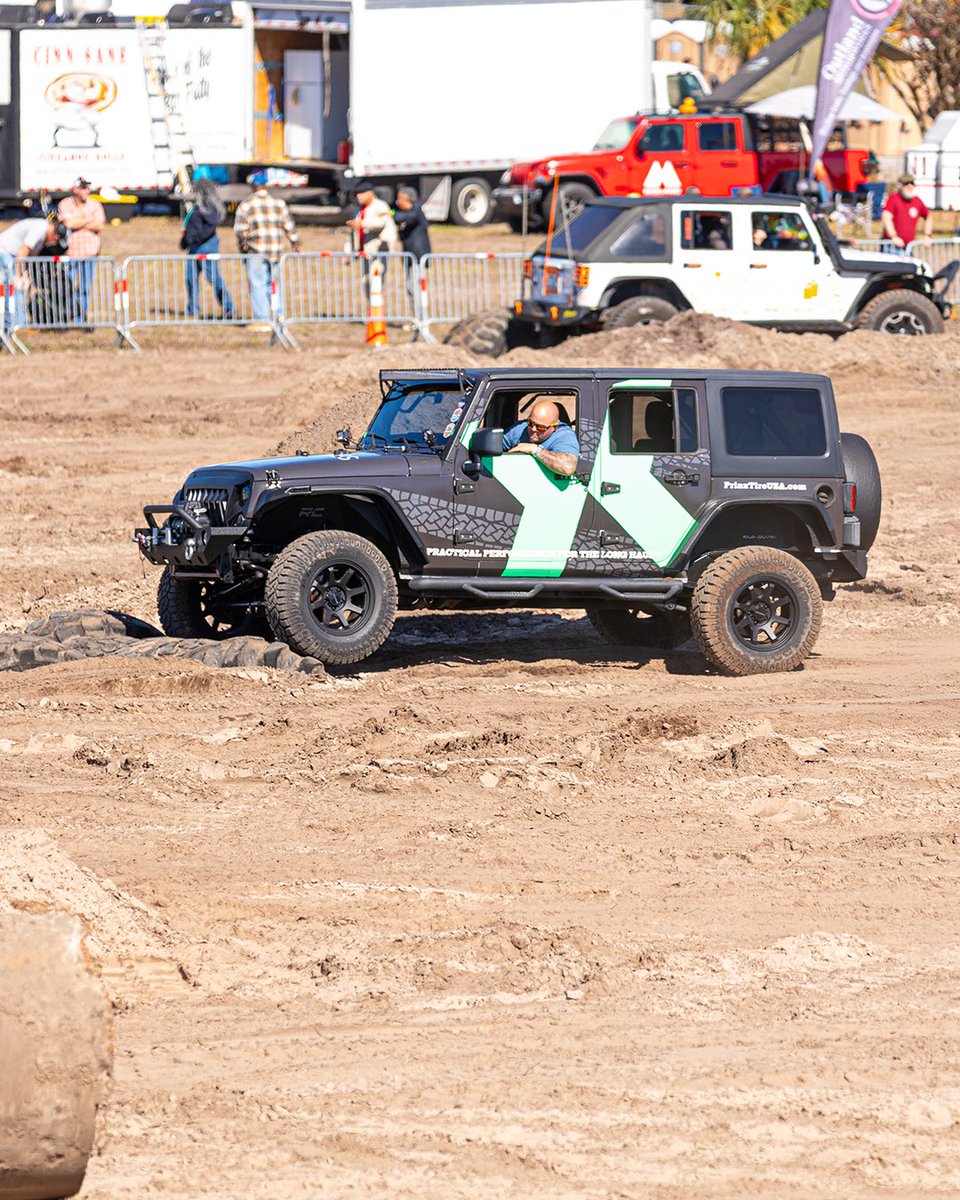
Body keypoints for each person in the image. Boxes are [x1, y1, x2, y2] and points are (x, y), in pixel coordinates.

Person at [233, 183, 300, 329]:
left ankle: (262, 320)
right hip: (276, 251)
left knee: (257, 284)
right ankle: (279, 315)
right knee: (273, 284)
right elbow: (289, 226)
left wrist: (243, 246)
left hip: (256, 250)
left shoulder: (246, 205)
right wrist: (295, 242)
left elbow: (240, 230)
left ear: (253, 187)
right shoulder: (279, 203)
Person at [180, 178, 234, 320]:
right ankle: (227, 308)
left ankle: (195, 308)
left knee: (196, 278)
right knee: (209, 278)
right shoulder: (215, 210)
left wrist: (184, 241)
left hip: (198, 247)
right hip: (211, 244)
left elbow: (192, 234)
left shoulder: (197, 212)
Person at [0, 214, 65, 329]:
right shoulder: (40, 228)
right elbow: (23, 252)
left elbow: (31, 257)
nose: (54, 242)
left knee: (21, 288)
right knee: (15, 288)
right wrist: (18, 276)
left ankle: (19, 323)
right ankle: (17, 325)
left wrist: (26, 275)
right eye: (56, 240)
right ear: (55, 235)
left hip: (15, 255)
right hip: (5, 251)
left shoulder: (42, 237)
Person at [57, 176, 105, 324]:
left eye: (88, 187)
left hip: (90, 252)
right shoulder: (65, 204)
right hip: (71, 253)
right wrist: (89, 220)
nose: (87, 190)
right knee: (67, 287)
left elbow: (100, 225)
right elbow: (67, 223)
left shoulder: (95, 204)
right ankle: (66, 317)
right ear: (75, 189)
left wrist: (77, 222)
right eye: (83, 187)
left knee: (84, 288)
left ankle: (80, 319)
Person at [501, 399, 579, 477]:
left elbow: (568, 467)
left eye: (540, 427)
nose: (533, 429)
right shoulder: (520, 429)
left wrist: (536, 450)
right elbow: (496, 444)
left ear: (554, 427)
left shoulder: (564, 436)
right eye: (530, 423)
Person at [394, 185, 431, 337]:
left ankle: (420, 319)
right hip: (410, 256)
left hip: (418, 256)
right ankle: (416, 318)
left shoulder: (416, 210)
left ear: (408, 199)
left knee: (416, 288)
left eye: (400, 199)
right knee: (410, 288)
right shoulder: (407, 213)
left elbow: (404, 217)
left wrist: (390, 213)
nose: (397, 202)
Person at [882, 173, 933, 251]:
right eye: (906, 183)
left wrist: (927, 235)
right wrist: (894, 236)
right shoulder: (893, 199)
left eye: (912, 183)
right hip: (891, 247)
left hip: (909, 248)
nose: (910, 186)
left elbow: (928, 216)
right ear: (899, 186)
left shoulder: (917, 201)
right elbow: (886, 218)